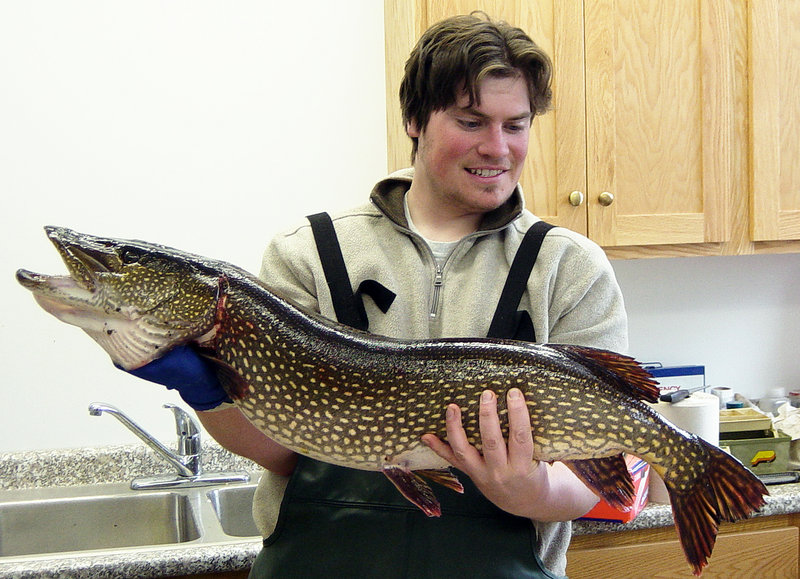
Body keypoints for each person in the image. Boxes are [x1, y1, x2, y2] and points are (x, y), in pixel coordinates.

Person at [130, 13, 628, 578]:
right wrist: (208, 394)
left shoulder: (569, 267)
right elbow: (288, 450)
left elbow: (598, 481)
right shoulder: (308, 252)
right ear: (415, 119)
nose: (497, 148)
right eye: (471, 122)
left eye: (516, 125)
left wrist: (528, 488)